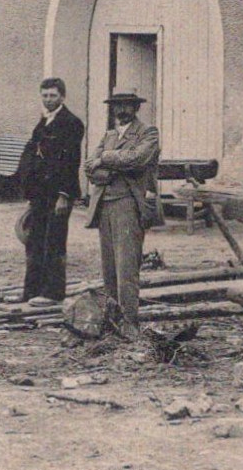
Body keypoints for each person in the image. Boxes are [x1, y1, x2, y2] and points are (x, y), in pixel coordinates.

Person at [83, 90, 162, 341]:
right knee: (109, 267)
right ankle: (112, 319)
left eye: (126, 105)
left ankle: (130, 322)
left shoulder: (148, 133)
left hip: (129, 204)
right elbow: (89, 167)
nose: (121, 110)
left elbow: (137, 160)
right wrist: (107, 170)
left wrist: (105, 160)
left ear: (135, 107)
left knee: (126, 266)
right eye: (117, 106)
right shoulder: (108, 135)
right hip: (104, 204)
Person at [16, 77, 86, 305]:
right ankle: (31, 291)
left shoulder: (71, 123)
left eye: (53, 95)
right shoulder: (43, 122)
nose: (48, 99)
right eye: (45, 95)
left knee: (54, 242)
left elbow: (71, 161)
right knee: (35, 242)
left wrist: (65, 195)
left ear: (62, 97)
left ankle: (52, 293)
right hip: (39, 193)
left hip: (57, 195)